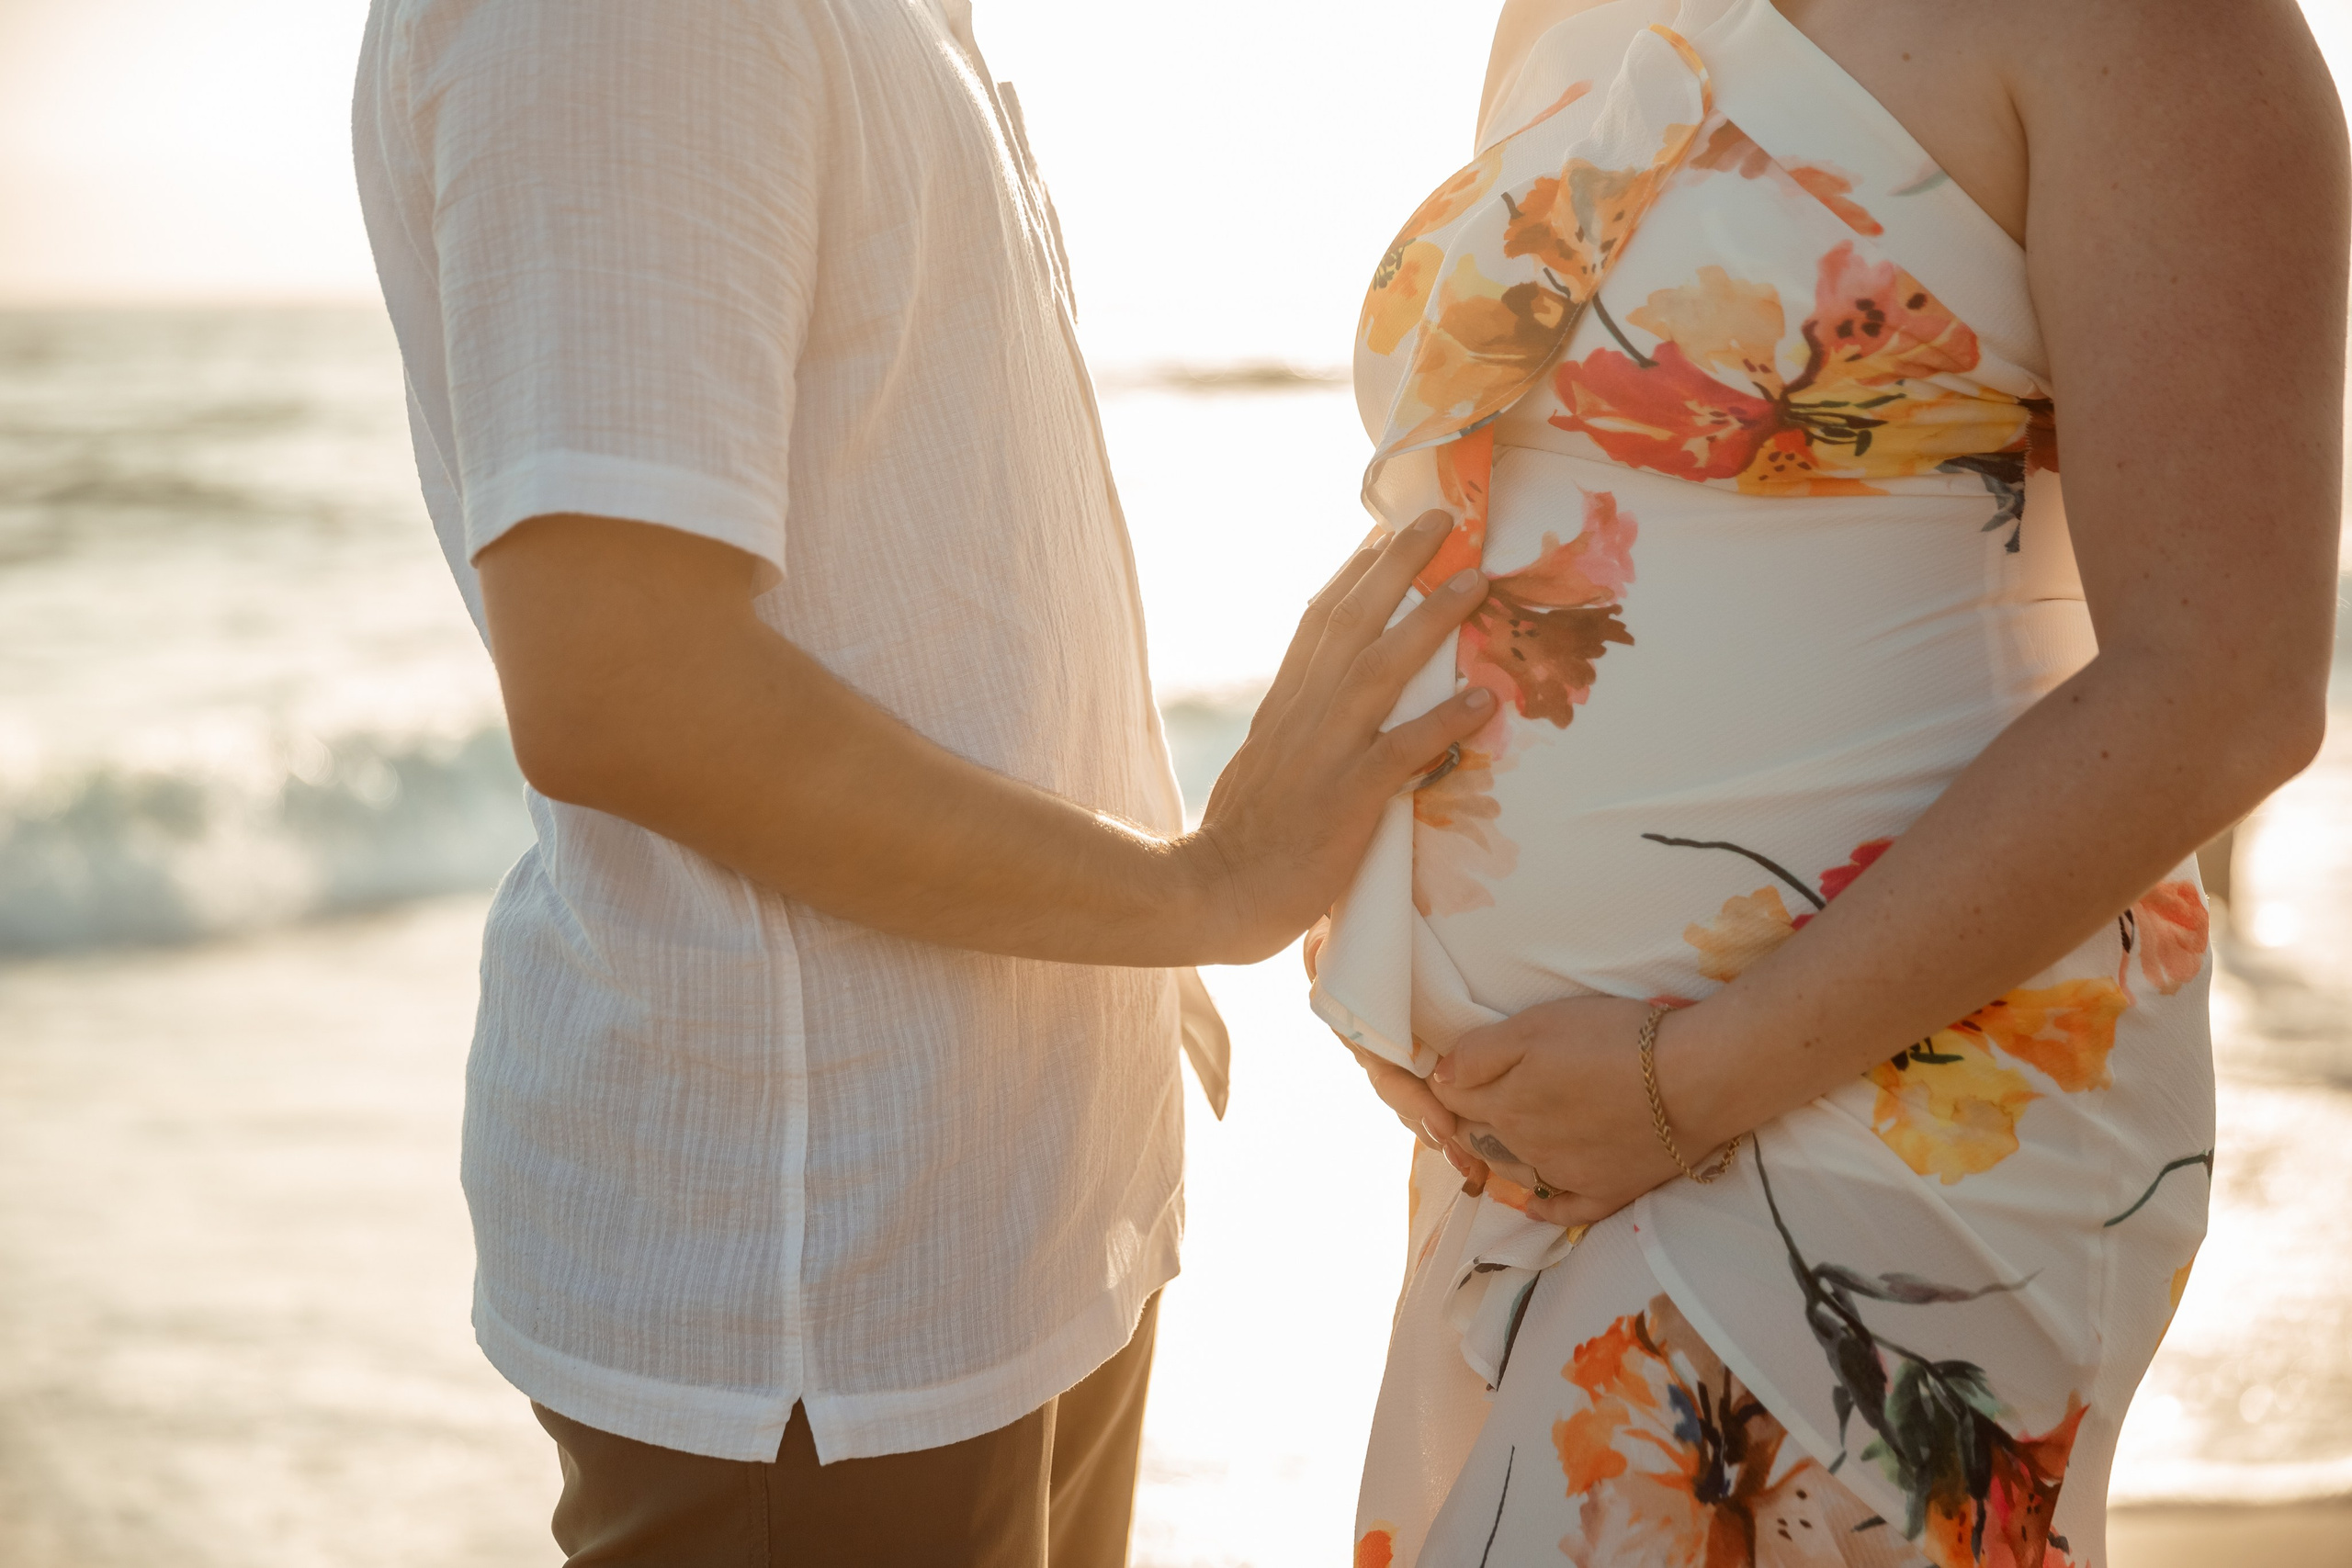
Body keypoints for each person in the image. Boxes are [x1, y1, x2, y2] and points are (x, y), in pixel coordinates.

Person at [350, 1, 1498, 1562]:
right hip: (824, 1288)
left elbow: (931, 551)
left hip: (1004, 1220)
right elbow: (627, 678)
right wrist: (1196, 890)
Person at [1311, 1, 2345, 1563]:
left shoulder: (2161, 31)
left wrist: (1688, 1083)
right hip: (1551, 1135)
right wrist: (1372, 942)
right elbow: (1496, 490)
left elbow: (2223, 693)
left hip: (1884, 1095)